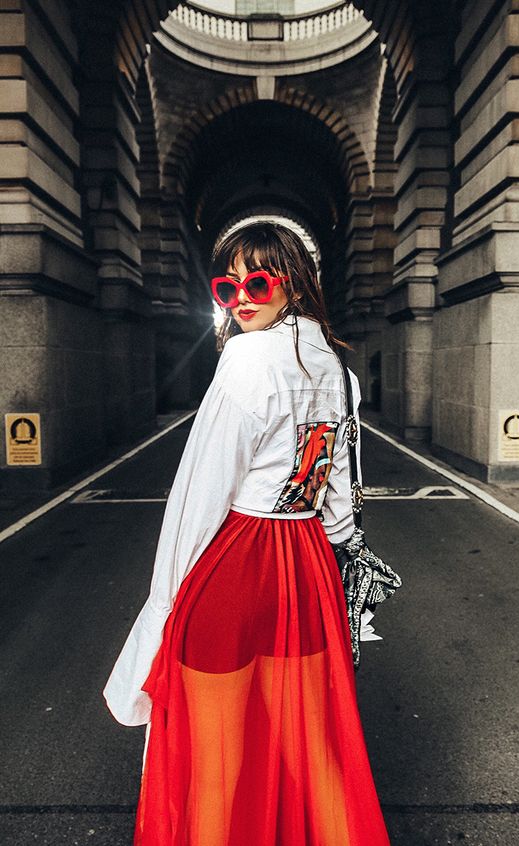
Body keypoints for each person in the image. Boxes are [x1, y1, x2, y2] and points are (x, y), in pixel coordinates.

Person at [103, 221, 391, 846]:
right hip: (307, 570)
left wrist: (164, 602)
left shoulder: (245, 361)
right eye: (229, 285)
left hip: (235, 565)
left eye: (259, 279)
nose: (243, 297)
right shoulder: (336, 369)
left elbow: (199, 495)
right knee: (315, 750)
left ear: (294, 282)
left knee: (216, 757)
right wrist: (345, 566)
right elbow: (340, 495)